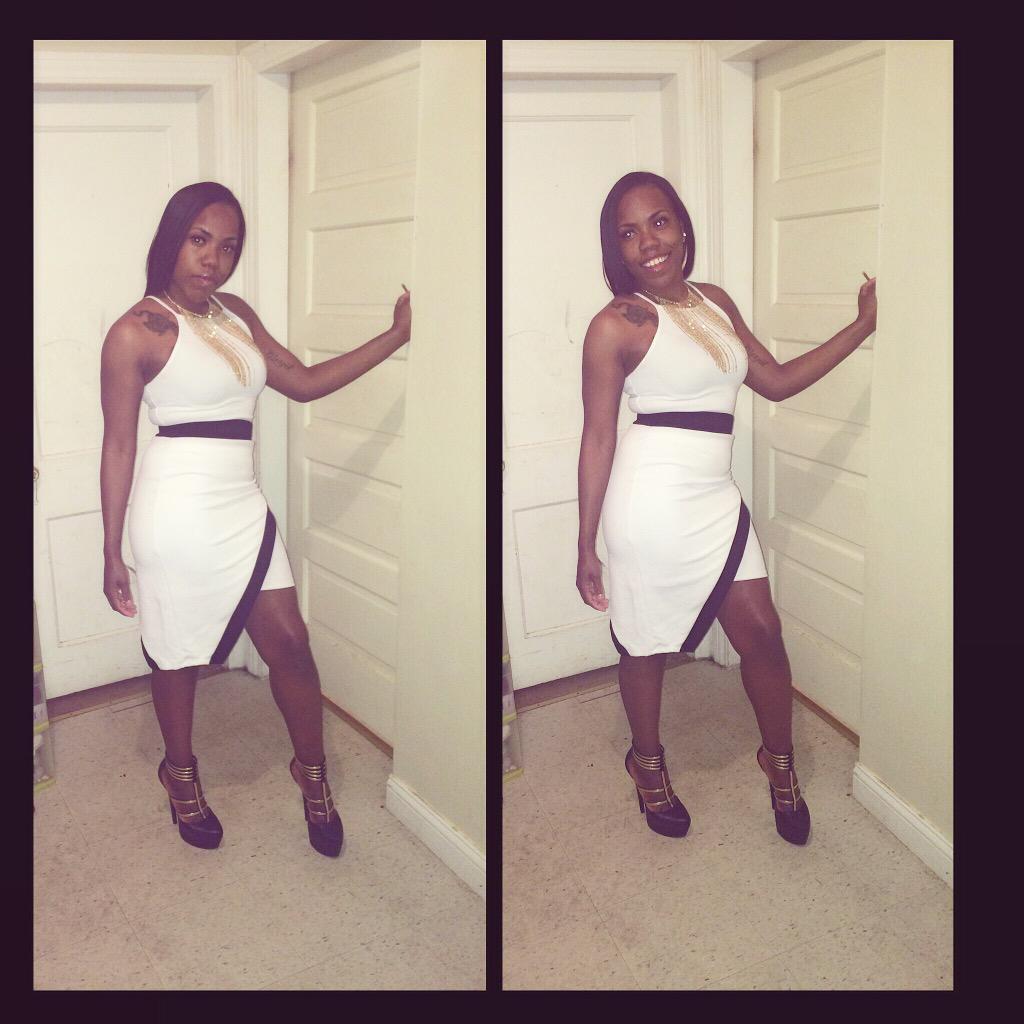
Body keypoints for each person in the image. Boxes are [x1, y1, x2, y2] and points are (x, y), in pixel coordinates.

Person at [100, 181, 411, 857]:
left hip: (240, 506)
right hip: (173, 514)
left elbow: (302, 381)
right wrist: (109, 548)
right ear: (172, 239)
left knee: (291, 645)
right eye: (199, 240)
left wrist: (396, 336)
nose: (212, 258)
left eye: (228, 246)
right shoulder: (135, 331)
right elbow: (119, 445)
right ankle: (180, 774)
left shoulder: (235, 313)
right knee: (177, 654)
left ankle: (312, 772)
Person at [576, 171, 876, 845]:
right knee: (646, 644)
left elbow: (776, 380)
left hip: (714, 498)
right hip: (648, 506)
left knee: (762, 634)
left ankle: (780, 763)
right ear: (616, 249)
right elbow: (597, 437)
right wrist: (584, 542)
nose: (648, 241)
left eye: (658, 222)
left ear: (682, 227)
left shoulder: (713, 301)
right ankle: (646, 764)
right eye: (629, 232)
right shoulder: (615, 325)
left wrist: (862, 325)